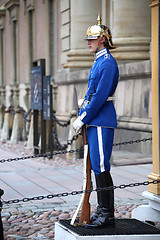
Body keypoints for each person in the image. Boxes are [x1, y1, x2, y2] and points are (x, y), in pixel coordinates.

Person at [72, 17, 119, 228]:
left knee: (101, 166)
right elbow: (92, 94)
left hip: (101, 119)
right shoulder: (99, 61)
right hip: (95, 120)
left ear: (102, 40)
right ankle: (102, 211)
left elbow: (100, 97)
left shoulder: (107, 63)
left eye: (91, 39)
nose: (88, 42)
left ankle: (106, 214)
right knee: (96, 166)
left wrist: (83, 117)